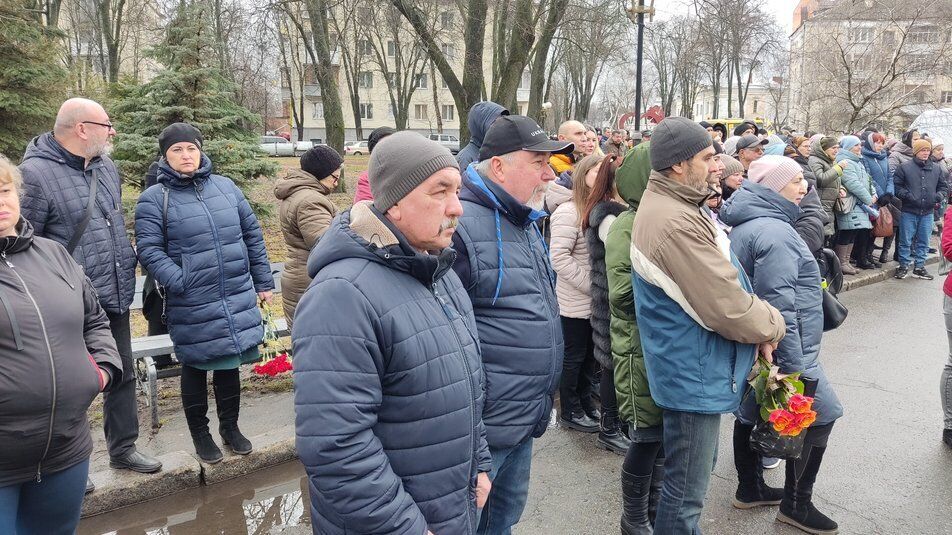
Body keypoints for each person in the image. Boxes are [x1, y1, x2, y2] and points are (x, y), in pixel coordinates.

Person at [292, 131, 490, 534]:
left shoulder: (437, 271)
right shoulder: (342, 296)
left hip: (449, 504)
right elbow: (336, 447)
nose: (458, 208)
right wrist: (405, 527)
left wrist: (480, 462)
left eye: (458, 190)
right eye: (440, 192)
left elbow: (465, 387)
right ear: (395, 204)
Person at [629, 117, 785, 533]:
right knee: (685, 495)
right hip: (692, 372)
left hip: (691, 365)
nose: (718, 164)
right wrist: (772, 325)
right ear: (678, 165)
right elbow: (726, 307)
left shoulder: (678, 205)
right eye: (707, 156)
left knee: (685, 487)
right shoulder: (674, 219)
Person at [18, 98, 161, 489]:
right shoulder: (34, 175)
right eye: (106, 125)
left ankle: (123, 447)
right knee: (67, 385)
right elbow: (21, 242)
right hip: (61, 303)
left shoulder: (105, 166)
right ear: (82, 128)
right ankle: (67, 464)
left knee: (122, 372)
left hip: (112, 293)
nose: (112, 132)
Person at [452, 115, 570, 534]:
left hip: (522, 415)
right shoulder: (460, 227)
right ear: (498, 166)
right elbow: (446, 339)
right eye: (538, 161)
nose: (548, 173)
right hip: (483, 428)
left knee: (503, 521)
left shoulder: (523, 218)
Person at [135, 123, 275, 464]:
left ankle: (231, 428)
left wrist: (263, 282)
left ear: (201, 150)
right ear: (165, 156)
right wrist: (181, 281)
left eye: (191, 149)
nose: (186, 156)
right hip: (192, 298)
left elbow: (252, 236)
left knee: (230, 363)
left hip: (235, 293)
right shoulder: (155, 198)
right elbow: (149, 250)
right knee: (196, 365)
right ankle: (201, 433)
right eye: (177, 150)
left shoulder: (226, 188)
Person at [719, 155, 843, 535]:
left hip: (759, 346)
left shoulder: (753, 222)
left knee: (750, 408)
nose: (804, 188)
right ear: (773, 187)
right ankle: (795, 504)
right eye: (794, 183)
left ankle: (750, 487)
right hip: (787, 348)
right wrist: (791, 366)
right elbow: (779, 303)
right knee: (824, 414)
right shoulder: (774, 232)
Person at [0, 155, 122, 534]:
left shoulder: (53, 254)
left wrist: (102, 370)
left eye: (5, 190)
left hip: (65, 450)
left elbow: (95, 319)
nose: (1, 202)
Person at [604, 142, 667, 532]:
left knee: (662, 438)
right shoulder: (627, 225)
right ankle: (633, 517)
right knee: (645, 438)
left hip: (659, 349)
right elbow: (622, 297)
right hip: (636, 349)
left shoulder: (664, 219)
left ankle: (657, 510)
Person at [581, 154, 634, 458]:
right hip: (611, 303)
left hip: (611, 301)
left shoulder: (615, 212)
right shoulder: (608, 217)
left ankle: (618, 424)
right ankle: (609, 428)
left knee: (615, 365)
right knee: (612, 368)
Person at [550, 154, 603, 434]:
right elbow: (559, 257)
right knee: (575, 356)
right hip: (575, 302)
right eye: (596, 172)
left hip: (593, 302)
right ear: (583, 176)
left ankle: (585, 403)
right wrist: (591, 285)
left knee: (589, 358)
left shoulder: (595, 208)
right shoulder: (568, 212)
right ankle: (569, 410)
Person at [275, 145, 341, 327]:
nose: (336, 183)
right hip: (309, 282)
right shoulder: (310, 201)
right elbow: (327, 243)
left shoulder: (298, 193)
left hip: (301, 277)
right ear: (320, 173)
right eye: (334, 177)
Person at [894, 139, 949, 280]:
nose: (926, 153)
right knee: (905, 241)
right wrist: (908, 196)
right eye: (922, 150)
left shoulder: (936, 168)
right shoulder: (904, 167)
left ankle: (919, 267)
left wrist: (938, 196)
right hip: (909, 210)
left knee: (924, 241)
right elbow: (897, 187)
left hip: (928, 211)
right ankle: (903, 266)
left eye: (927, 150)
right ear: (916, 152)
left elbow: (943, 187)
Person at [834, 135, 877, 271]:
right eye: (856, 145)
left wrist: (874, 193)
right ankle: (841, 263)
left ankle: (846, 263)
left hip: (859, 204)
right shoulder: (845, 161)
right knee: (846, 233)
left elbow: (868, 180)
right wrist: (868, 199)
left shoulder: (857, 162)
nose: (860, 147)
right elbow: (853, 183)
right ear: (848, 147)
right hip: (850, 203)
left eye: (860, 145)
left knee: (853, 233)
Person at [808, 136, 847, 251]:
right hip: (820, 205)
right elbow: (820, 180)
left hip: (828, 206)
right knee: (819, 241)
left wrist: (841, 188)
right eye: (833, 148)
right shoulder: (815, 160)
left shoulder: (830, 160)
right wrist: (838, 168)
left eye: (837, 148)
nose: (836, 150)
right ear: (823, 149)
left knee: (826, 241)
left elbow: (834, 181)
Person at [862, 132, 893, 266]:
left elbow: (890, 176)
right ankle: (863, 256)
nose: (880, 145)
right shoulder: (864, 157)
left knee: (876, 228)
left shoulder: (883, 157)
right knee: (869, 229)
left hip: (884, 199)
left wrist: (889, 193)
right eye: (877, 142)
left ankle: (869, 254)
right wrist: (881, 194)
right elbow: (869, 178)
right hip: (873, 198)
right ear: (870, 143)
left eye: (882, 143)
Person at [457, 101, 510, 171]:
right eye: (495, 123)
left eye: (503, 122)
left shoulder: (499, 153)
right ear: (480, 126)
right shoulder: (466, 159)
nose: (500, 128)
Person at [352, 126, 394, 203]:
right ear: (374, 153)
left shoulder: (413, 172)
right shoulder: (368, 179)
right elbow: (366, 209)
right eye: (384, 146)